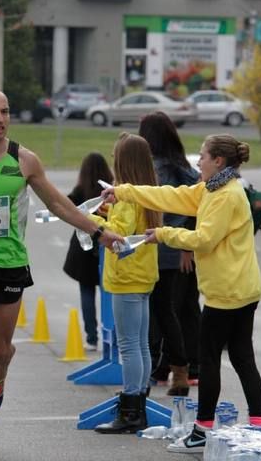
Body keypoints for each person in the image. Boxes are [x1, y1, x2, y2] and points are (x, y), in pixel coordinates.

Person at [0, 87, 123, 452]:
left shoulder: (24, 160)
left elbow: (59, 205)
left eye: (5, 111)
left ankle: (0, 371)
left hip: (11, 263)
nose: (0, 119)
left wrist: (98, 231)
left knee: (0, 347)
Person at [102, 134, 261, 453]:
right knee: (241, 358)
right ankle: (258, 427)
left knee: (208, 360)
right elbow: (172, 196)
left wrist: (162, 234)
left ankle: (202, 432)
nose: (197, 162)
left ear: (218, 161)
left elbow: (204, 239)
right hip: (237, 288)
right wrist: (123, 190)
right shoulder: (212, 189)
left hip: (228, 292)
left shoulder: (225, 196)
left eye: (202, 156)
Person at [89, 133, 160, 435]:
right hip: (142, 275)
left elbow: (117, 236)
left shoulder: (128, 197)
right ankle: (139, 400)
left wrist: (92, 221)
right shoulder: (146, 192)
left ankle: (131, 410)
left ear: (124, 162)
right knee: (140, 343)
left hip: (126, 277)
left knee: (128, 345)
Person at [139, 112, 201, 394]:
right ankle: (183, 368)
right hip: (181, 248)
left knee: (156, 313)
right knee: (180, 310)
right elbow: (197, 208)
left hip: (159, 248)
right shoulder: (184, 169)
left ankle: (154, 370)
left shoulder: (154, 170)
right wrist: (188, 246)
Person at [62, 152, 114, 351]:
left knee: (87, 292)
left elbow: (65, 207)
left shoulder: (79, 190)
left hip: (83, 248)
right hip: (106, 244)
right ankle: (111, 333)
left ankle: (91, 337)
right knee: (108, 293)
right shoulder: (110, 189)